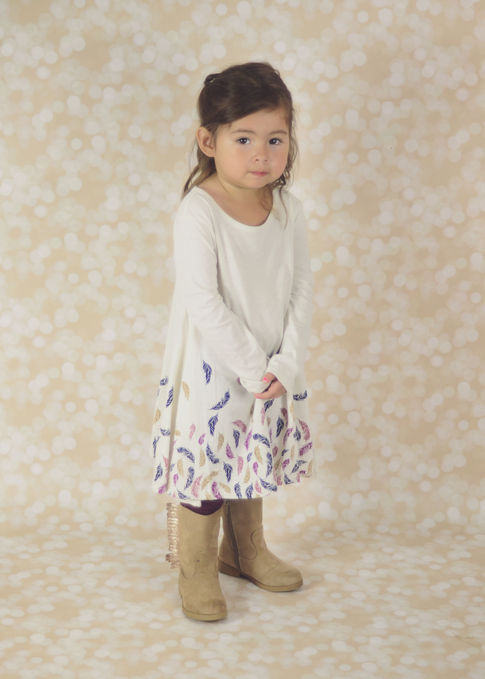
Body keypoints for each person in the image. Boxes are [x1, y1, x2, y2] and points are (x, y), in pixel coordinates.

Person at [150, 62, 313, 621]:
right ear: (208, 141)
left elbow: (301, 290)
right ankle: (196, 567)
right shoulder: (199, 210)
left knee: (250, 452)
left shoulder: (288, 210)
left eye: (275, 139)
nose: (261, 154)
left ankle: (244, 552)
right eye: (243, 139)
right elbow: (202, 300)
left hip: (271, 366)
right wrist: (251, 367)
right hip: (214, 367)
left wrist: (285, 364)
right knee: (209, 461)